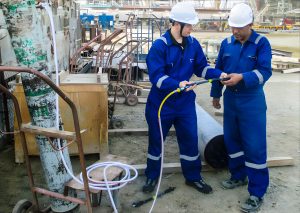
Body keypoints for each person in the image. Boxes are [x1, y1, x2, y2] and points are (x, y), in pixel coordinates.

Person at [143, 2, 226, 194]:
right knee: (156, 141)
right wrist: (178, 84)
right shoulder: (159, 46)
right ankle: (152, 176)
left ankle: (193, 177)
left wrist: (218, 74)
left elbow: (201, 67)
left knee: (189, 140)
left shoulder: (193, 44)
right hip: (161, 104)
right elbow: (156, 77)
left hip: (185, 105)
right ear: (176, 24)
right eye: (188, 25)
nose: (191, 28)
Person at [210, 3, 272, 212]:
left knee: (254, 147)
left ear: (250, 25)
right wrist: (216, 94)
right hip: (231, 101)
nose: (235, 32)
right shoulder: (227, 44)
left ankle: (256, 193)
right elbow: (218, 70)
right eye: (232, 27)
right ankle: (238, 176)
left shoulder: (261, 43)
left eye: (239, 28)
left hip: (251, 101)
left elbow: (265, 71)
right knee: (232, 141)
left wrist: (242, 78)